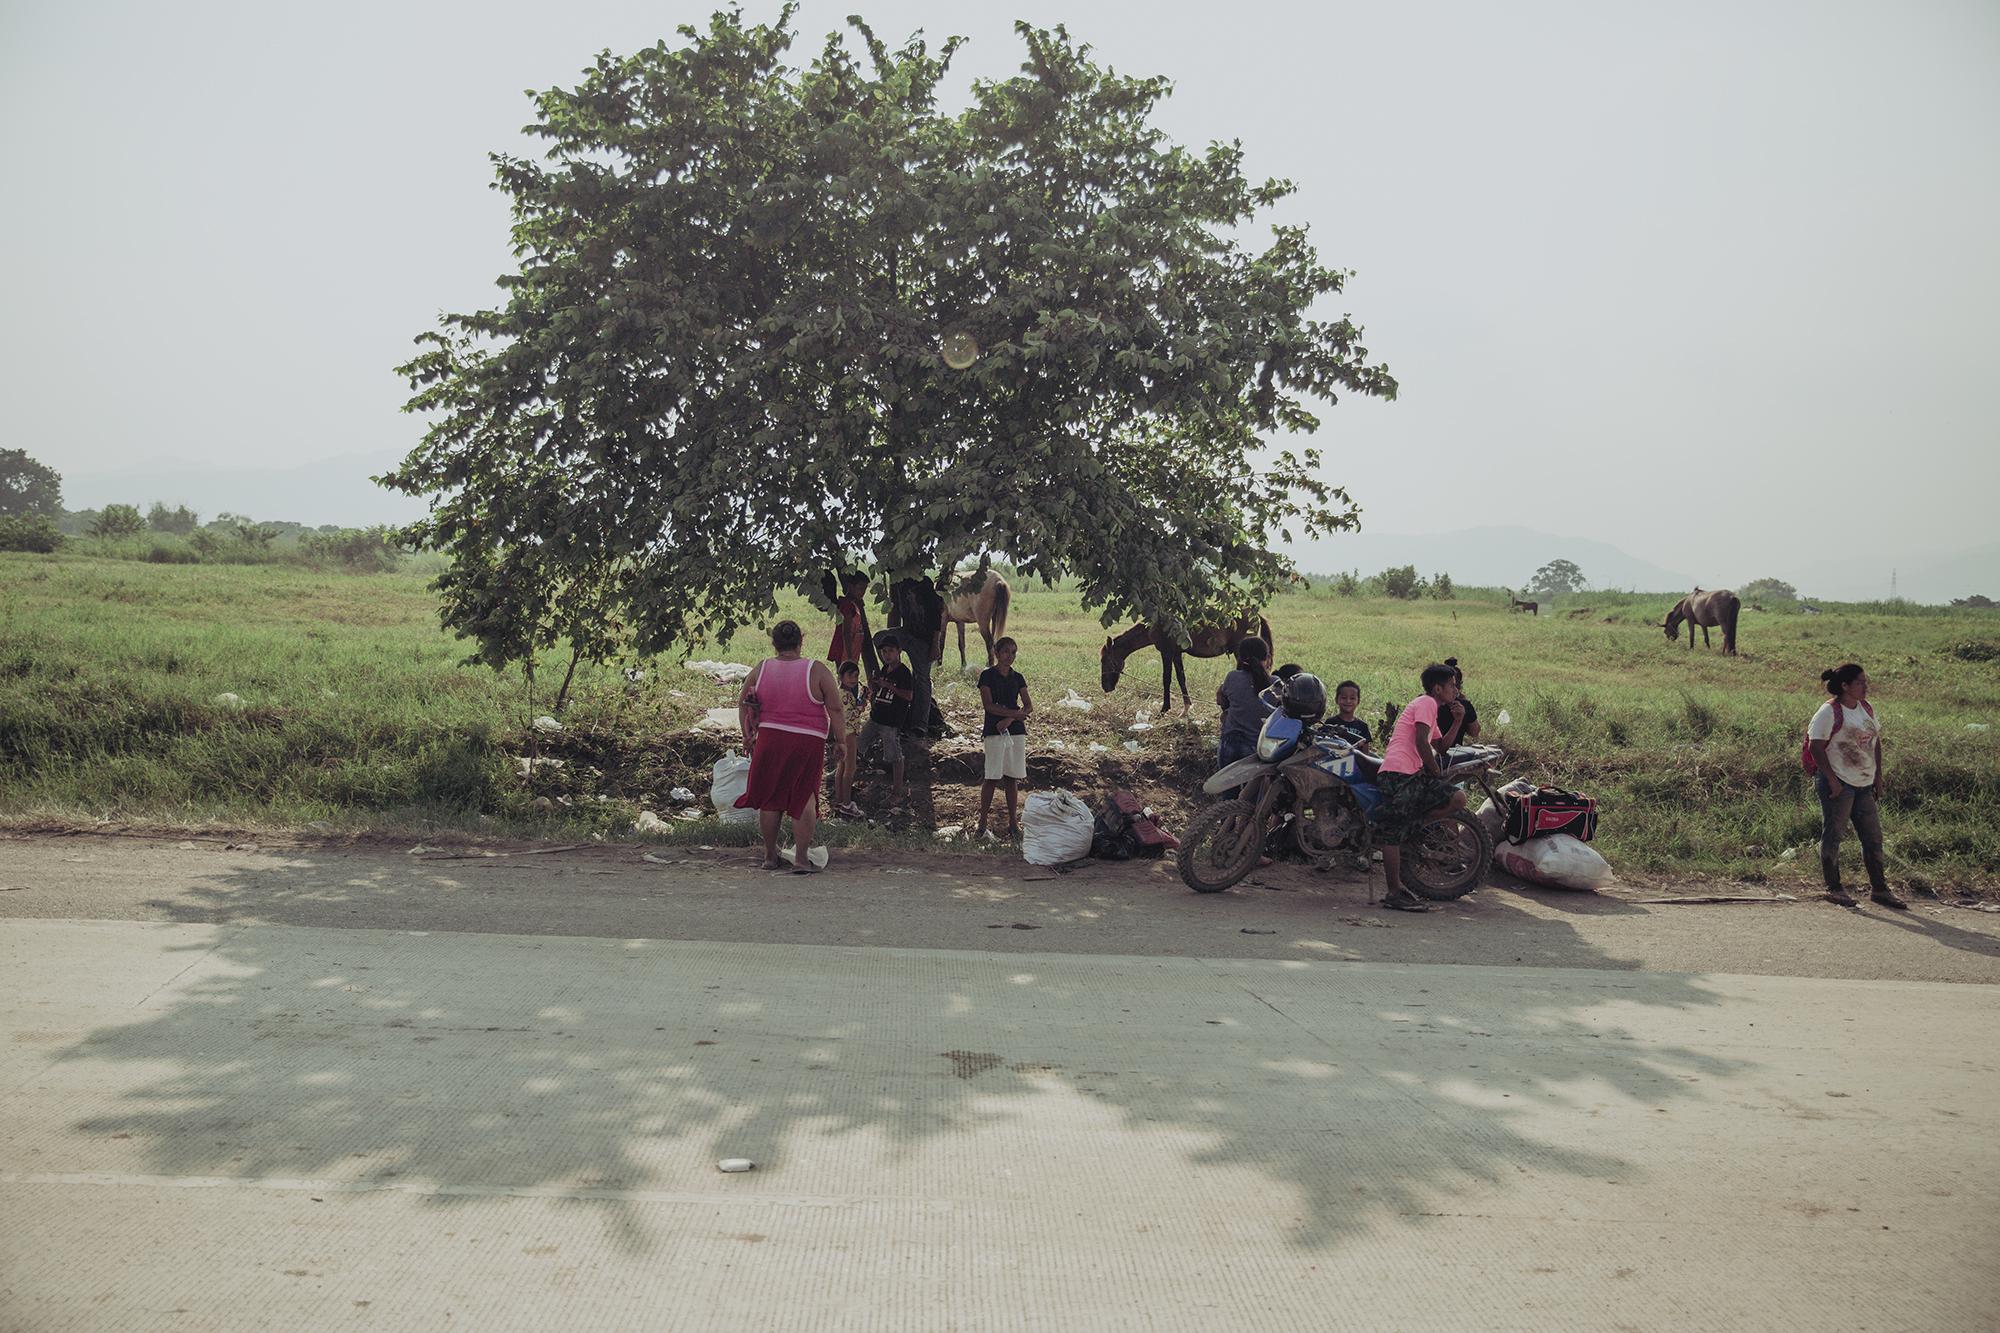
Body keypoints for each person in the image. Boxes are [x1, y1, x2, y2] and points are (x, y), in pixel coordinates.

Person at [735, 620, 844, 873]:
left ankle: (770, 856)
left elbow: (743, 703)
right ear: (801, 641)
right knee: (804, 794)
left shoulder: (762, 668)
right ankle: (801, 859)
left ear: (774, 643)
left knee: (771, 798)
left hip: (770, 739)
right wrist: (840, 740)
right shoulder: (815, 670)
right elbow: (835, 707)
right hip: (807, 741)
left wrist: (747, 734)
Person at [1373, 663, 1469, 912]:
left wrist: (1458, 721)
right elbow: (1420, 742)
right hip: (1399, 774)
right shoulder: (1426, 703)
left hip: (1404, 773)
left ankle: (1413, 828)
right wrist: (1435, 773)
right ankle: (1394, 892)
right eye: (1451, 685)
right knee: (1393, 831)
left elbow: (1441, 746)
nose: (1455, 690)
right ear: (1438, 688)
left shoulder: (1431, 709)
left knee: (1457, 798)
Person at [1807, 663, 1903, 909]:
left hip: (1863, 783)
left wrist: (1878, 777)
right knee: (1834, 834)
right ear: (1845, 686)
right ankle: (1834, 888)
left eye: (1865, 681)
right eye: (1860, 682)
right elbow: (1815, 747)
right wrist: (1831, 780)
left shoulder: (1866, 709)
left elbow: (1875, 742)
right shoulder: (1829, 712)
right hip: (1839, 783)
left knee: (1873, 837)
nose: (1865, 686)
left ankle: (1880, 889)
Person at [977, 636, 1033, 839]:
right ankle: (982, 823)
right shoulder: (987, 676)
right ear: (996, 653)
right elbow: (989, 706)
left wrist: (1010, 719)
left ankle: (1013, 824)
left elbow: (1028, 706)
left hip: (1014, 730)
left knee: (1011, 778)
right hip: (994, 731)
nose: (1010, 656)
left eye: (1013, 652)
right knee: (991, 777)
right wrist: (1015, 715)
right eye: (1006, 651)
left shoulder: (1018, 677)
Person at [889, 574, 948, 742]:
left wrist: (935, 644)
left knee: (922, 679)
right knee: (880, 638)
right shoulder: (898, 581)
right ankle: (897, 673)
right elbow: (896, 611)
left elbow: (936, 615)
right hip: (907, 633)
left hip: (924, 640)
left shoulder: (924, 583)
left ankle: (920, 725)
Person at [860, 631, 913, 804]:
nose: (886, 655)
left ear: (899, 651)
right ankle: (849, 775)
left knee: (895, 756)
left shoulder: (904, 672)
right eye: (884, 652)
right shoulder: (885, 669)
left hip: (891, 722)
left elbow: (908, 696)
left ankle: (896, 793)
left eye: (890, 651)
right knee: (859, 744)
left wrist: (889, 686)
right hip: (876, 717)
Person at [1214, 637, 1275, 768]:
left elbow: (1221, 700)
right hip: (1256, 749)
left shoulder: (1232, 677)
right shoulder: (1276, 684)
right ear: (1268, 657)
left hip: (1229, 746)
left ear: (1240, 658)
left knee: (1226, 787)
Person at [830, 660, 866, 820]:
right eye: (849, 676)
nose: (853, 679)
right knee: (850, 768)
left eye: (856, 676)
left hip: (841, 733)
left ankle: (839, 800)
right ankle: (847, 803)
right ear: (841, 676)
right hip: (849, 733)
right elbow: (851, 714)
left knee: (841, 766)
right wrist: (862, 705)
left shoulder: (841, 693)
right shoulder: (846, 695)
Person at [823, 572, 877, 677]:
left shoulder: (853, 604)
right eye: (860, 588)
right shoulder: (847, 605)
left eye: (864, 589)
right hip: (845, 650)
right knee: (848, 681)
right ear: (851, 587)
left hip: (849, 650)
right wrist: (849, 657)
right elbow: (846, 632)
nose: (863, 593)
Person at [1433, 657, 1480, 751]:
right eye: (1451, 686)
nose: (1455, 690)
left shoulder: (1463, 706)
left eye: (1455, 686)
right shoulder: (1428, 705)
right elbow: (1439, 748)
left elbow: (1475, 732)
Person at [1323, 680, 1374, 751]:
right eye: (1344, 698)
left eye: (1352, 698)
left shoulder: (1363, 726)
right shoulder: (1330, 722)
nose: (1348, 701)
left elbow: (1365, 753)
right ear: (1336, 700)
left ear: (1358, 701)